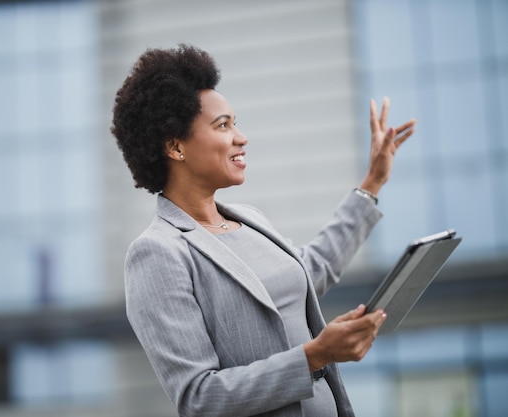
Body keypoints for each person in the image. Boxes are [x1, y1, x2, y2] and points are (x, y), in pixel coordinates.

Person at [111, 44, 415, 417]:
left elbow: (313, 267)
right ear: (176, 147)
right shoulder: (158, 252)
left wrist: (372, 183)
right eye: (223, 125)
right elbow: (199, 398)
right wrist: (315, 355)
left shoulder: (249, 218)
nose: (242, 137)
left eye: (235, 122)